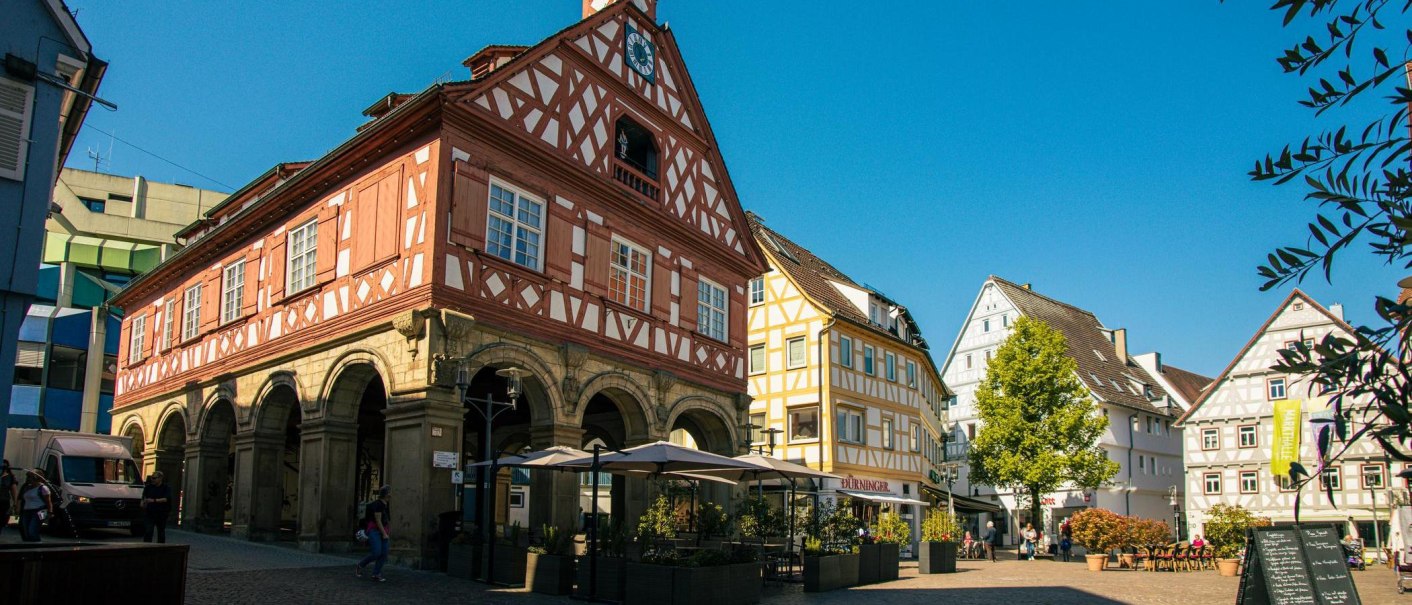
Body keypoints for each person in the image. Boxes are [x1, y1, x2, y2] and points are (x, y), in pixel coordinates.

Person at [357, 485, 391, 582]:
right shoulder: (378, 504)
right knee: (376, 552)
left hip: (384, 530)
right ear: (386, 494)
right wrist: (384, 534)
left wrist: (387, 531)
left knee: (384, 553)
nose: (391, 494)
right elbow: (378, 520)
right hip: (374, 530)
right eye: (389, 492)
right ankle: (360, 565)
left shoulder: (386, 504)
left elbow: (387, 519)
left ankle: (376, 573)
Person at [17, 470, 54, 542]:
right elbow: (21, 498)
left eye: (30, 477)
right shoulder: (26, 487)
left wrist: (50, 512)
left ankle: (37, 546)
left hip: (40, 511)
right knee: (26, 531)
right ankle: (28, 547)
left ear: (36, 478)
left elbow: (48, 502)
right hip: (27, 511)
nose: (27, 479)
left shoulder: (43, 488)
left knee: (33, 530)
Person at [142, 471, 172, 543]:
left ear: (160, 478)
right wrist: (143, 503)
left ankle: (160, 548)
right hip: (149, 512)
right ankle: (146, 547)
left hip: (161, 513)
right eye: (152, 478)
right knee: (148, 531)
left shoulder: (166, 488)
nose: (152, 479)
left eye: (154, 478)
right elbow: (144, 497)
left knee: (161, 532)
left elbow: (165, 499)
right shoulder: (148, 487)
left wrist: (153, 500)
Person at [0, 460, 16, 536]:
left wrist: (15, 503)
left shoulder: (10, 477)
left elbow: (13, 490)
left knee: (2, 520)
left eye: (5, 466)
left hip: (4, 501)